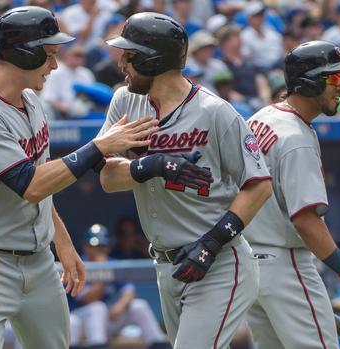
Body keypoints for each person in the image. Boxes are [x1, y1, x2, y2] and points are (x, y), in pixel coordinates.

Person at [0, 7, 167, 349]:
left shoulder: (32, 103)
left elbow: (45, 179)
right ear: (23, 53)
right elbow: (30, 185)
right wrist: (99, 146)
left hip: (38, 260)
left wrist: (62, 244)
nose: (54, 66)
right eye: (48, 55)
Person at [97, 12, 273, 348]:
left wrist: (212, 243)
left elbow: (259, 184)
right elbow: (108, 178)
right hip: (167, 265)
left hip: (218, 261)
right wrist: (152, 166)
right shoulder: (125, 101)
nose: (122, 63)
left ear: (154, 59)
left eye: (130, 56)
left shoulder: (215, 112)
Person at [245, 40, 340, 349]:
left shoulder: (260, 117)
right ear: (308, 82)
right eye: (334, 78)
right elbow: (306, 221)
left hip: (251, 267)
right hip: (286, 263)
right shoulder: (297, 139)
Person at [69, 224, 170, 349]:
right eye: (95, 246)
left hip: (107, 319)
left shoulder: (112, 263)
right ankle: (98, 345)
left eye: (103, 246)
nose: (100, 251)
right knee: (97, 308)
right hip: (80, 322)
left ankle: (158, 344)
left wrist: (119, 306)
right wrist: (102, 270)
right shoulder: (77, 266)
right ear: (85, 247)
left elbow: (130, 292)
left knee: (138, 306)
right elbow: (87, 299)